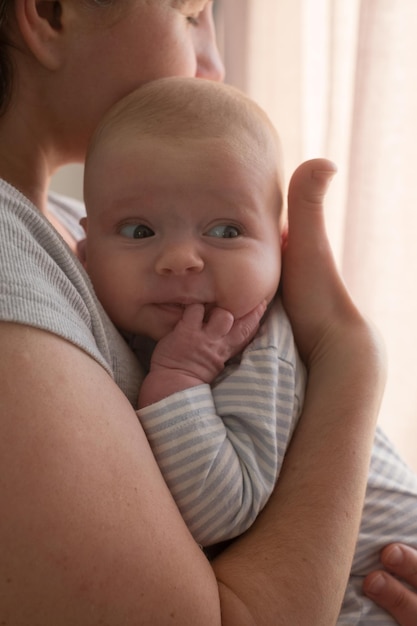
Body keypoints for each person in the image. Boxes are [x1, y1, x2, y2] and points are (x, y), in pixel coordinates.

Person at [0, 0, 413, 622]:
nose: (214, 65)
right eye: (190, 13)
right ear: (51, 13)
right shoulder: (20, 257)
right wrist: (351, 361)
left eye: (225, 230)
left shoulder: (71, 239)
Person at [81, 76, 417, 624]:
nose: (181, 259)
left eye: (225, 230)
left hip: (382, 586)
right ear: (86, 248)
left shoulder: (262, 352)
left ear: (282, 245)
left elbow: (222, 510)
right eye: (139, 231)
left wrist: (183, 378)